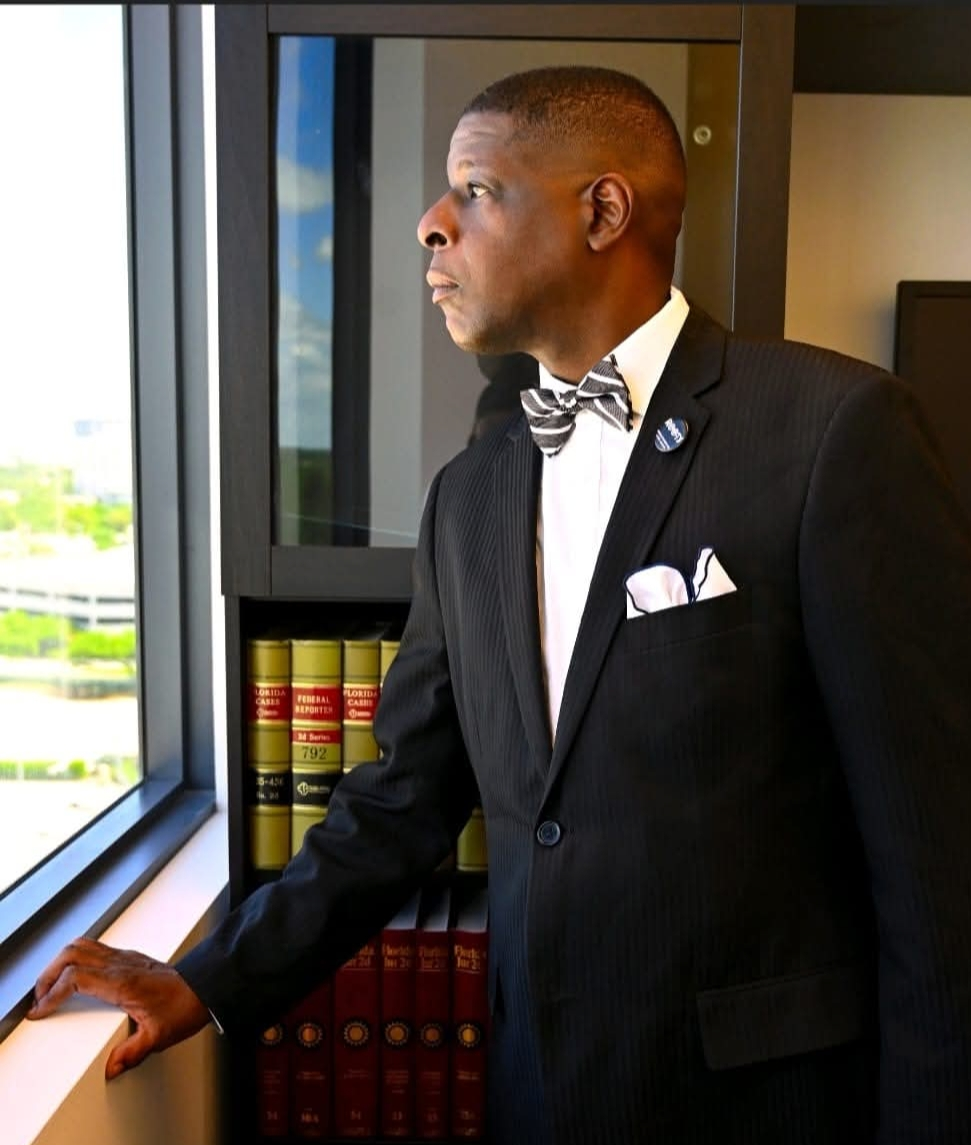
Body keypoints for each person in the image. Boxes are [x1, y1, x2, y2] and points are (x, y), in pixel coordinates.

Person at [28, 65, 971, 1143]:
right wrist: (207, 978)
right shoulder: (464, 500)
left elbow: (937, 863)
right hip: (536, 1092)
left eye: (472, 190)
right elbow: (403, 796)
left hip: (773, 1107)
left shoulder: (833, 431)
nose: (431, 225)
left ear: (600, 210)